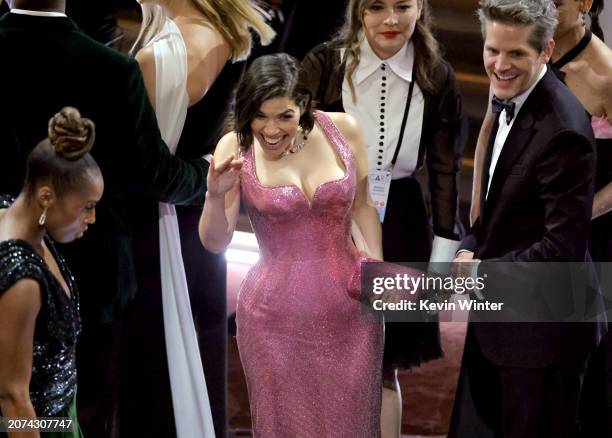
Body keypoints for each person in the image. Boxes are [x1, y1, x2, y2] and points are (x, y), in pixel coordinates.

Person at [0, 1, 209, 437]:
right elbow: (152, 173)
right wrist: (205, 174)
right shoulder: (112, 69)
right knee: (76, 409)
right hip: (92, 278)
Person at [301, 0, 465, 435]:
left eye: (402, 6)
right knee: (324, 358)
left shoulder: (437, 76)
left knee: (383, 364)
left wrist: (442, 266)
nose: (390, 19)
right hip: (331, 216)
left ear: (420, 7)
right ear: (358, 11)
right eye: (376, 6)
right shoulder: (324, 64)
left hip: (402, 223)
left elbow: (446, 174)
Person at [200, 53, 384, 437]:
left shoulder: (343, 129)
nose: (270, 129)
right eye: (260, 115)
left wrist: (376, 278)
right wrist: (215, 197)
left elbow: (365, 207)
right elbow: (216, 242)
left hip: (351, 314)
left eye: (284, 116)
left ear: (303, 105)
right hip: (273, 322)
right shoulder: (234, 148)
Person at [449, 0, 605, 436]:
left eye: (516, 53)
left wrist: (479, 271)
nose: (499, 65)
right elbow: (498, 207)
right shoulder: (511, 99)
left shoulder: (565, 130)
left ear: (546, 51)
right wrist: (467, 246)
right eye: (492, 50)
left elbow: (562, 250)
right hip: (505, 321)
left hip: (544, 335)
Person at [120, 1, 274, 436]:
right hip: (191, 232)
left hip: (160, 237)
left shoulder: (173, 49)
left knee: (157, 382)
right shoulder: (219, 30)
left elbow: (144, 169)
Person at [0, 107, 104, 438]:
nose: (92, 219)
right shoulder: (23, 283)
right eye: (86, 207)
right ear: (47, 197)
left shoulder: (14, 215)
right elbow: (13, 398)